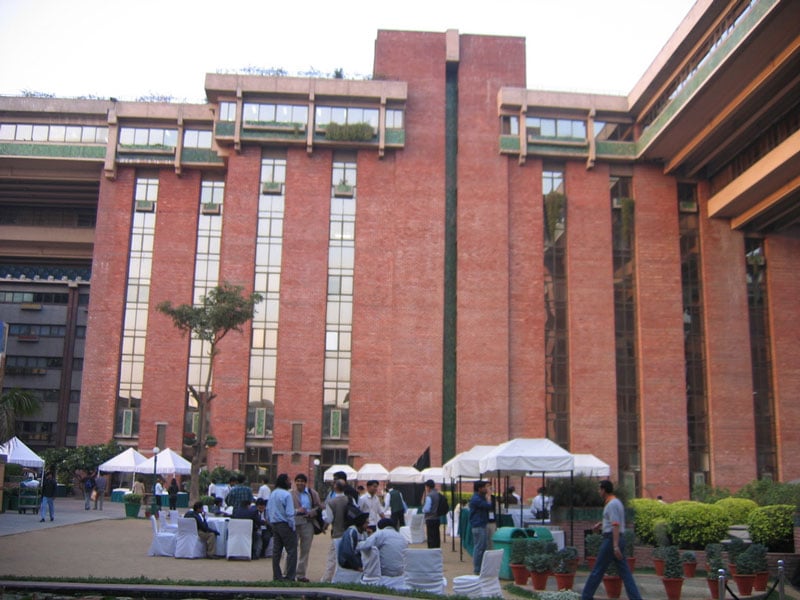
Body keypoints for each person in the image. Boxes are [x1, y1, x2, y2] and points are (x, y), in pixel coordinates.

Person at [581, 480, 642, 600]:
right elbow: (613, 520)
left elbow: (615, 524)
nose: (599, 492)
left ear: (604, 490)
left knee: (598, 570)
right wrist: (602, 523)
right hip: (617, 538)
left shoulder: (612, 504)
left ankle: (586, 596)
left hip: (611, 540)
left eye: (599, 489)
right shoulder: (616, 502)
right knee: (625, 572)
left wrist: (615, 546)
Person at [291, 473, 322, 582]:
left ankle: (301, 574)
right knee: (291, 549)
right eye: (298, 481)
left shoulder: (312, 493)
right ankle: (288, 573)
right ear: (295, 482)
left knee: (305, 549)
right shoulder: (290, 494)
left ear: (305, 482)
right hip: (294, 522)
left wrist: (311, 513)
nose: (300, 483)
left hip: (308, 522)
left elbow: (319, 506)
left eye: (302, 481)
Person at [267, 473, 297, 581]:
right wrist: (292, 526)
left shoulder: (273, 493)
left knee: (276, 551)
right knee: (292, 551)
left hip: (275, 524)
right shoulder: (286, 495)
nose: (290, 482)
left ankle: (277, 575)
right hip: (285, 524)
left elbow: (268, 510)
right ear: (285, 482)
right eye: (289, 480)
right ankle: (290, 576)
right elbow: (289, 513)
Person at [321, 479, 350, 582]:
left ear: (335, 487)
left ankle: (328, 579)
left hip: (337, 533)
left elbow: (329, 519)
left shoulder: (331, 502)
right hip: (349, 532)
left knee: (333, 558)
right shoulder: (349, 500)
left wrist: (324, 520)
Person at [468, 480, 493, 575]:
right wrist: (489, 496)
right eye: (484, 487)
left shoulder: (479, 497)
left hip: (481, 524)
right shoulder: (476, 499)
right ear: (479, 489)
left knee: (482, 547)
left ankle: (480, 567)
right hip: (478, 525)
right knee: (479, 547)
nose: (486, 489)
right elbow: (488, 506)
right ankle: (477, 569)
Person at [421, 478, 442, 548]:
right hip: (437, 518)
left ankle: (431, 552)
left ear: (428, 487)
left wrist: (423, 509)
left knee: (431, 538)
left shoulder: (429, 496)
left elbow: (427, 509)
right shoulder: (438, 494)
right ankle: (437, 551)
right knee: (436, 537)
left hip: (430, 519)